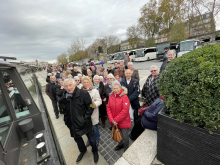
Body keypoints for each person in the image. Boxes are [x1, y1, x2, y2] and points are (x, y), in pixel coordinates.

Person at [62, 78, 99, 163]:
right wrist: (66, 120)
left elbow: (90, 107)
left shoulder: (83, 93)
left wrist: (84, 119)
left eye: (70, 85)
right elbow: (65, 110)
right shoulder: (65, 96)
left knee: (91, 138)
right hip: (72, 124)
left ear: (74, 85)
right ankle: (83, 151)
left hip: (84, 123)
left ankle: (95, 151)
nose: (68, 88)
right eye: (66, 86)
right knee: (78, 140)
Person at [107, 82, 131, 152]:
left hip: (123, 121)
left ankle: (126, 150)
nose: (116, 90)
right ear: (112, 89)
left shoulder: (124, 97)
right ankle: (120, 144)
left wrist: (115, 120)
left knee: (125, 137)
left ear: (120, 88)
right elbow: (108, 108)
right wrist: (112, 120)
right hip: (115, 122)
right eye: (114, 88)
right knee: (118, 134)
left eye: (117, 88)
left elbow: (125, 111)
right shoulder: (111, 96)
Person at [82, 76, 102, 148]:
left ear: (90, 83)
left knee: (95, 127)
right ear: (82, 83)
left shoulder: (94, 91)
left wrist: (94, 104)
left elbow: (99, 101)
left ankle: (97, 139)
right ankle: (89, 139)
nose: (86, 83)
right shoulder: (81, 91)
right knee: (87, 128)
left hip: (93, 113)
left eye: (87, 82)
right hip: (85, 114)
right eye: (84, 82)